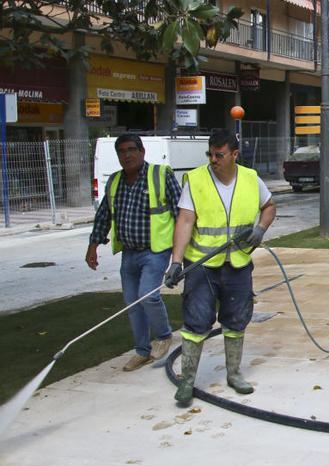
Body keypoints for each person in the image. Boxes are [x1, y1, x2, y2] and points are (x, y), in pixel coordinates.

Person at [163, 130, 276, 407]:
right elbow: (185, 221)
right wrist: (176, 262)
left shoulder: (251, 179)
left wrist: (261, 229)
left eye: (219, 155)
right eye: (210, 154)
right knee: (196, 320)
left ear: (234, 154)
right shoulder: (197, 179)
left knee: (236, 319)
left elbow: (269, 206)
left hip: (237, 263)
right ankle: (187, 381)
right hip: (202, 265)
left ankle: (234, 373)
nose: (213, 160)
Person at [85, 134, 181, 371]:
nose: (126, 155)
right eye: (121, 151)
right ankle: (142, 351)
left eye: (131, 150)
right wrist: (93, 245)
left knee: (148, 295)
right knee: (132, 302)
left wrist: (181, 254)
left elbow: (182, 213)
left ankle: (163, 335)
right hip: (129, 252)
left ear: (142, 151)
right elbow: (104, 215)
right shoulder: (115, 181)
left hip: (156, 250)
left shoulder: (160, 175)